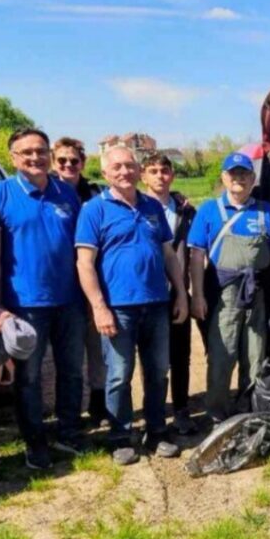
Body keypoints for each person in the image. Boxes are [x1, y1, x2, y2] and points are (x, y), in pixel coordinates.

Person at [0, 128, 86, 470]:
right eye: (26, 153)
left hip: (69, 300)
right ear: (13, 157)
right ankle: (35, 443)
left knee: (71, 371)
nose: (35, 158)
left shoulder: (66, 194)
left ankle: (69, 433)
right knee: (28, 379)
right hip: (24, 305)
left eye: (40, 151)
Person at [77, 147, 188, 465]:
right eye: (117, 166)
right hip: (118, 308)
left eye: (129, 165)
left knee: (158, 372)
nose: (124, 171)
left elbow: (169, 256)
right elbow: (85, 263)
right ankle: (120, 437)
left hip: (156, 304)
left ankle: (156, 432)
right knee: (118, 375)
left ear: (138, 169)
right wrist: (99, 307)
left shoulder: (152, 206)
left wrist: (180, 293)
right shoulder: (94, 210)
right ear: (105, 172)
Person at [187, 152, 270, 423]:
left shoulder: (267, 211)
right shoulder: (209, 211)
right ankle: (217, 414)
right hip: (222, 294)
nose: (239, 179)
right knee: (222, 355)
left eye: (244, 174)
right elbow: (196, 257)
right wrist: (197, 295)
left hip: (257, 292)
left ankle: (250, 410)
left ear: (253, 178)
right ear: (224, 177)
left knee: (255, 355)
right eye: (233, 174)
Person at [51, 137, 109, 428]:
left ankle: (99, 405)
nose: (68, 165)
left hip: (94, 281)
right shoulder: (46, 192)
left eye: (74, 160)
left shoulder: (97, 193)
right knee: (69, 356)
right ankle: (66, 414)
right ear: (54, 162)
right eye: (62, 160)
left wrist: (175, 198)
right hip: (59, 283)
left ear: (83, 163)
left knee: (97, 348)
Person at [142, 152, 201, 436]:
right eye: (152, 171)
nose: (159, 176)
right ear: (144, 176)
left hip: (179, 292)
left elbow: (198, 249)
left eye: (164, 171)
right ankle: (152, 414)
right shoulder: (136, 208)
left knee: (181, 356)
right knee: (151, 359)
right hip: (148, 295)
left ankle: (181, 409)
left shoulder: (186, 211)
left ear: (172, 175)